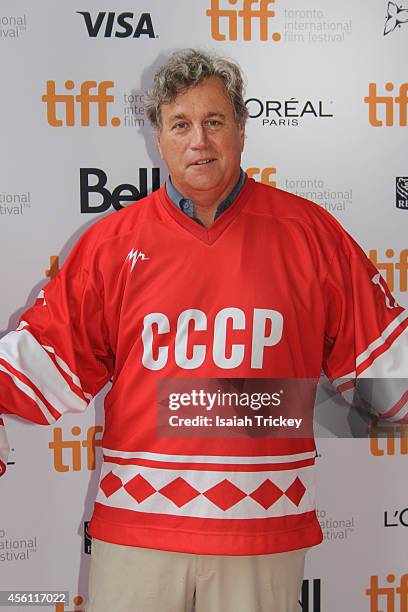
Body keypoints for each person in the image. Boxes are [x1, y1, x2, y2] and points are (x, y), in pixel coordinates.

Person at [0, 48, 407, 612]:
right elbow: (44, 358)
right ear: (158, 139)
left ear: (241, 130)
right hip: (139, 534)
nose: (200, 141)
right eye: (181, 124)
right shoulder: (111, 245)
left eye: (215, 122)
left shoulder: (309, 234)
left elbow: (388, 374)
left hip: (261, 534)